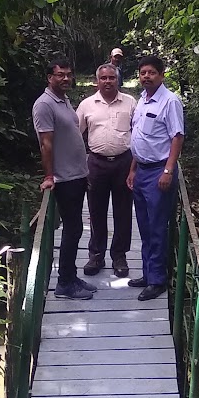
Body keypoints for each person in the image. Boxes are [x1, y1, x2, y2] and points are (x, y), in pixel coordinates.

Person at [31, 58, 95, 300]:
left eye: (68, 74)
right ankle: (64, 284)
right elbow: (45, 144)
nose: (66, 78)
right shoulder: (44, 105)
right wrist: (49, 175)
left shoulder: (64, 100)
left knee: (75, 228)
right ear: (50, 77)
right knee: (72, 228)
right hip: (64, 178)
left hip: (77, 174)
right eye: (60, 75)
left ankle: (71, 275)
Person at [126, 55, 183, 302]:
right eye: (142, 73)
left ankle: (158, 280)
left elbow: (177, 137)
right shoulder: (142, 100)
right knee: (145, 227)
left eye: (151, 72)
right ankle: (148, 274)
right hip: (141, 170)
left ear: (161, 75)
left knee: (158, 228)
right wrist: (132, 169)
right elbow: (139, 138)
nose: (146, 76)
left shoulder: (170, 101)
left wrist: (168, 171)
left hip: (159, 171)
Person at [76, 63, 135, 277]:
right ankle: (96, 255)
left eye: (111, 78)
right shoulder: (86, 105)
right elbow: (76, 134)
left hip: (124, 162)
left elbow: (139, 134)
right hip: (96, 163)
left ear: (118, 79)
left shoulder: (130, 103)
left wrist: (134, 168)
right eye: (104, 78)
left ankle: (119, 256)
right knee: (96, 211)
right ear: (97, 81)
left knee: (123, 211)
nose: (108, 81)